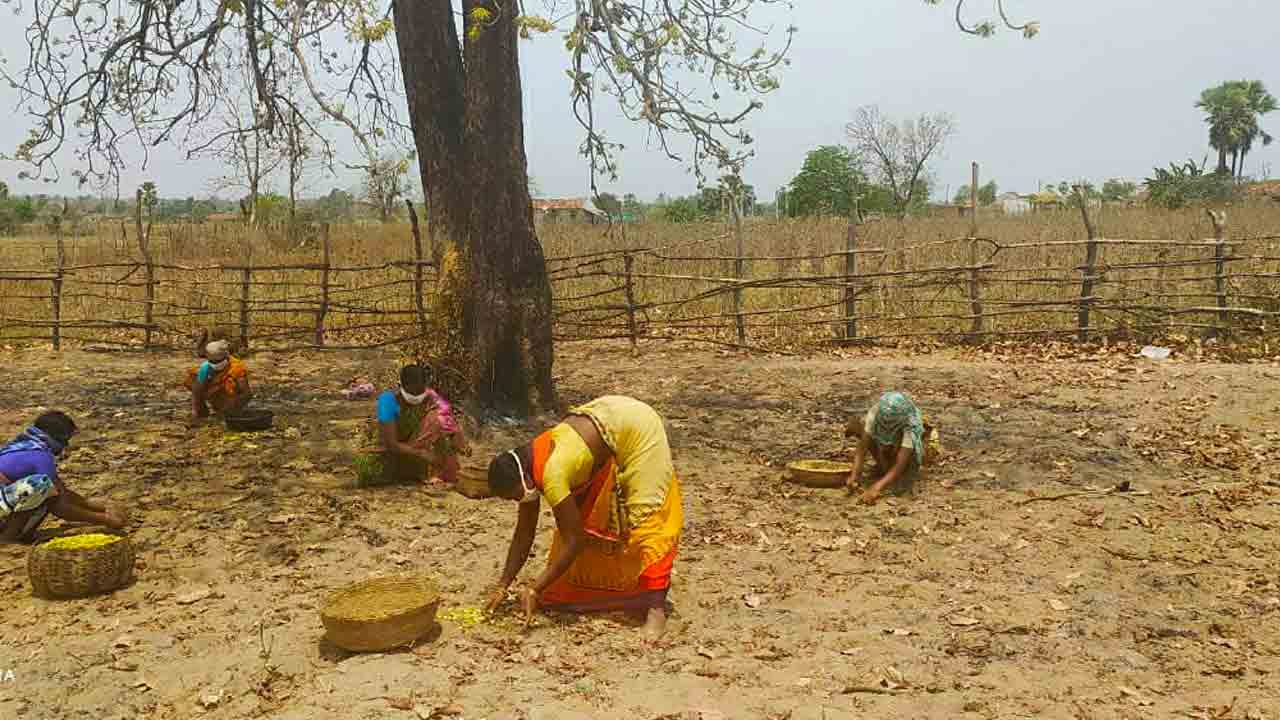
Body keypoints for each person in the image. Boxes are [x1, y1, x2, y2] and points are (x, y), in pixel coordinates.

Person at [483, 395, 684, 642]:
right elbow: (524, 533)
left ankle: (656, 609)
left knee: (647, 521)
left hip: (638, 426)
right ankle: (616, 588)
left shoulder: (551, 473)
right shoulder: (528, 464)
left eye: (514, 496)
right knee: (584, 520)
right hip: (608, 420)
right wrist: (503, 585)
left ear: (522, 479)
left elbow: (574, 541)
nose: (517, 502)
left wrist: (535, 588)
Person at [0, 411, 127, 543]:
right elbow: (59, 506)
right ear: (57, 438)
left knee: (46, 491)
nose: (65, 446)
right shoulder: (41, 457)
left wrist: (99, 506)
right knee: (41, 489)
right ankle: (7, 538)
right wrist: (104, 519)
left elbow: (61, 490)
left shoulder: (22, 448)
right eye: (65, 440)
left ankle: (14, 533)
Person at [372, 364, 468, 486]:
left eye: (420, 391)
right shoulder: (387, 401)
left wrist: (459, 440)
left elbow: (449, 421)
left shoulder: (430, 395)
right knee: (435, 420)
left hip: (420, 448)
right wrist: (421, 453)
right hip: (397, 454)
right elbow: (391, 444)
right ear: (403, 386)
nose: (417, 395)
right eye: (413, 391)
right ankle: (424, 472)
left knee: (444, 423)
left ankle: (443, 472)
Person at [844, 391, 941, 505]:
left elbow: (901, 463)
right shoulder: (875, 413)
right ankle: (861, 430)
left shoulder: (911, 424)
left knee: (904, 475)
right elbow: (862, 448)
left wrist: (876, 487)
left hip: (906, 443)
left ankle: (887, 466)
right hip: (888, 442)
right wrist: (854, 475)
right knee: (870, 439)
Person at [184, 339, 251, 422]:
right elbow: (196, 391)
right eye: (212, 361)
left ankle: (227, 412)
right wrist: (196, 411)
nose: (215, 364)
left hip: (232, 398)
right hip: (215, 395)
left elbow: (246, 393)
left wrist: (233, 405)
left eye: (218, 361)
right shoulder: (205, 368)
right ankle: (205, 413)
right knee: (192, 380)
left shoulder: (237, 367)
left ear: (226, 356)